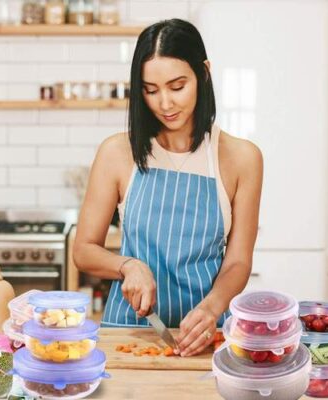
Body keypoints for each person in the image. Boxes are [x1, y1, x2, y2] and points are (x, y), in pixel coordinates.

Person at [73, 18, 263, 357]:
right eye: (150, 90)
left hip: (208, 336)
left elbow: (238, 262)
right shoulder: (117, 152)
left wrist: (212, 309)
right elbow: (84, 249)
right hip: (127, 334)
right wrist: (127, 265)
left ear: (203, 73)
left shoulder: (242, 158)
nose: (165, 103)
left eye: (177, 86)